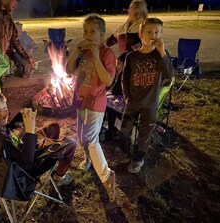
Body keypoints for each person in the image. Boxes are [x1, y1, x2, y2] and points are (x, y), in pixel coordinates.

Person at [0, 91, 76, 193]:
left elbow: (4, 132)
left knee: (52, 127)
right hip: (25, 170)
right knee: (71, 144)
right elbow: (26, 162)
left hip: (21, 148)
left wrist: (16, 121)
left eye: (4, 108)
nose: (3, 113)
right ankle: (59, 177)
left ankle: (51, 151)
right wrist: (30, 131)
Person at [66, 14, 116, 202]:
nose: (88, 35)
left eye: (93, 31)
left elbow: (108, 80)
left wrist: (96, 56)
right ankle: (88, 159)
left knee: (90, 138)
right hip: (80, 99)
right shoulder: (83, 51)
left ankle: (106, 174)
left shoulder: (106, 53)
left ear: (102, 35)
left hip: (96, 102)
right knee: (80, 135)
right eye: (85, 31)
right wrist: (76, 51)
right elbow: (69, 69)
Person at [120, 18, 174, 174]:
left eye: (157, 32)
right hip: (133, 102)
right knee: (124, 131)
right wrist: (127, 97)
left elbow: (170, 75)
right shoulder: (132, 56)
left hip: (150, 104)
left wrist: (163, 51)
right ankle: (125, 153)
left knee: (144, 134)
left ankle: (138, 159)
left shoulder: (160, 56)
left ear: (161, 34)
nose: (153, 35)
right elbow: (124, 79)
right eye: (149, 32)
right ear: (141, 34)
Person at [102, 0, 148, 142]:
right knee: (110, 91)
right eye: (130, 7)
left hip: (134, 69)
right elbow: (113, 39)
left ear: (139, 10)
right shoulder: (126, 25)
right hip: (121, 67)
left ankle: (118, 129)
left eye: (133, 8)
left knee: (117, 95)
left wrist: (124, 57)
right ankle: (111, 126)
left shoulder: (143, 26)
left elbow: (144, 47)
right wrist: (102, 46)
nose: (129, 9)